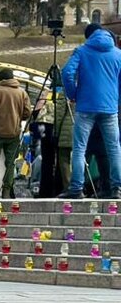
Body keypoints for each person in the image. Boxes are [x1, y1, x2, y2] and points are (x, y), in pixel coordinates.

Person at [60, 24, 121, 198]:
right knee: (114, 148)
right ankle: (117, 188)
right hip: (110, 108)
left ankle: (76, 189)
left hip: (85, 106)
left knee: (79, 148)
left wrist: (73, 94)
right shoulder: (118, 54)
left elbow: (66, 73)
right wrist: (116, 99)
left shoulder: (82, 51)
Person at [0, 68, 32, 199]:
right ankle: (6, 191)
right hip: (14, 133)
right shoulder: (22, 93)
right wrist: (17, 119)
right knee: (10, 163)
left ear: (1, 79)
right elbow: (27, 113)